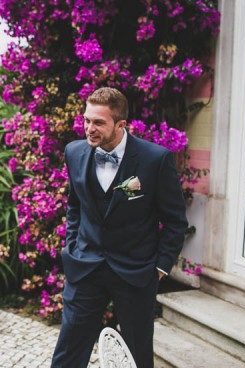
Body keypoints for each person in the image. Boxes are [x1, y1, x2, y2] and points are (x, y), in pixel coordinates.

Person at [51, 88, 188, 368]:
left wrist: (159, 268)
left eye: (98, 122)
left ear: (121, 124)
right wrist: (72, 245)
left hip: (135, 272)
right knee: (68, 352)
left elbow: (175, 222)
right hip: (85, 266)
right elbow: (75, 205)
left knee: (136, 354)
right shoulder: (74, 152)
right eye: (87, 120)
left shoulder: (155, 159)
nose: (89, 128)